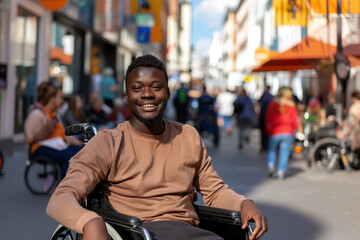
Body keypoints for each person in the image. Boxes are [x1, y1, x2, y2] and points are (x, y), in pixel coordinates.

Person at [47, 55, 268, 240]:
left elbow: (215, 191)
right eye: (137, 88)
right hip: (136, 231)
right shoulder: (109, 142)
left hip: (189, 230)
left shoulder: (188, 136)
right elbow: (61, 197)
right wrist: (90, 221)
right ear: (127, 97)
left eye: (156, 87)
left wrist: (244, 202)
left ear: (167, 93)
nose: (147, 94)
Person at [24, 82, 83, 178]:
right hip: (40, 148)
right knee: (72, 158)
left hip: (57, 145)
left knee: (82, 151)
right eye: (60, 97)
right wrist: (45, 127)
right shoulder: (37, 114)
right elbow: (29, 139)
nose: (62, 100)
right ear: (52, 99)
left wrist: (70, 140)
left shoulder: (55, 114)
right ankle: (62, 188)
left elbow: (60, 135)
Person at [265, 86, 298, 180]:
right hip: (287, 131)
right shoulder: (291, 106)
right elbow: (294, 120)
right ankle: (281, 172)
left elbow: (268, 118)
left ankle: (271, 166)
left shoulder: (272, 105)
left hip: (274, 131)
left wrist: (268, 130)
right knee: (285, 152)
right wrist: (295, 129)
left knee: (272, 150)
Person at [257, 85, 273, 152]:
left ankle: (263, 145)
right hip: (268, 116)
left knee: (262, 131)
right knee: (268, 131)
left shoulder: (263, 95)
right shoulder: (271, 96)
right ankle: (266, 145)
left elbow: (259, 103)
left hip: (263, 115)